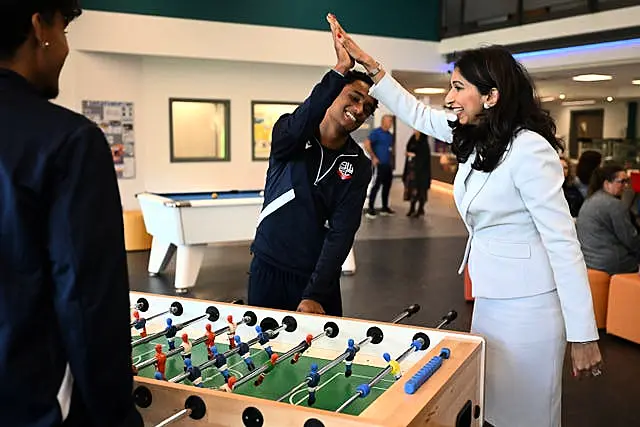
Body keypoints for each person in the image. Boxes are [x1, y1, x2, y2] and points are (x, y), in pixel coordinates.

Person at [327, 14, 602, 427]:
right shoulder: (475, 136)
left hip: (530, 307)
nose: (449, 97)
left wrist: (583, 334)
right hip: (490, 298)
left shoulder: (530, 150)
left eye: (458, 87)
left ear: (490, 96)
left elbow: (564, 243)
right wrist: (370, 65)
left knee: (526, 414)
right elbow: (416, 113)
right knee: (488, 406)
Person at [0, 2, 142, 426]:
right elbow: (87, 304)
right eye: (63, 29)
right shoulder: (69, 141)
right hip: (32, 402)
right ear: (39, 26)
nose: (63, 48)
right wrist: (117, 417)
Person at [247, 23, 377, 317]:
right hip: (268, 268)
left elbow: (342, 232)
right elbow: (303, 118)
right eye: (354, 98)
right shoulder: (289, 136)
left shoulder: (358, 164)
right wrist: (340, 69)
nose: (359, 110)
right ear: (333, 94)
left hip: (316, 280)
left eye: (368, 107)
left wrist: (315, 293)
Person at [576, 164, 640, 275]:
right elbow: (630, 239)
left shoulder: (589, 200)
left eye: (627, 181)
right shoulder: (614, 205)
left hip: (588, 262)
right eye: (622, 181)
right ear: (607, 184)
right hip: (611, 264)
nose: (626, 186)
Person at [364, 114, 395, 218]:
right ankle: (370, 209)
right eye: (389, 121)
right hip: (379, 165)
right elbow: (367, 143)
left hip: (387, 165)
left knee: (387, 187)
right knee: (376, 186)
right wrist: (373, 157)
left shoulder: (390, 135)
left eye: (391, 121)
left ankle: (384, 208)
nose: (391, 123)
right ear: (383, 122)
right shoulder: (376, 133)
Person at [403, 130, 432, 217]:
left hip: (421, 171)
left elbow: (424, 156)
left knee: (420, 190)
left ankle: (420, 209)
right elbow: (408, 149)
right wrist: (408, 154)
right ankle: (412, 208)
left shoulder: (423, 142)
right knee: (411, 189)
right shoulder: (412, 139)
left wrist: (413, 155)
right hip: (411, 169)